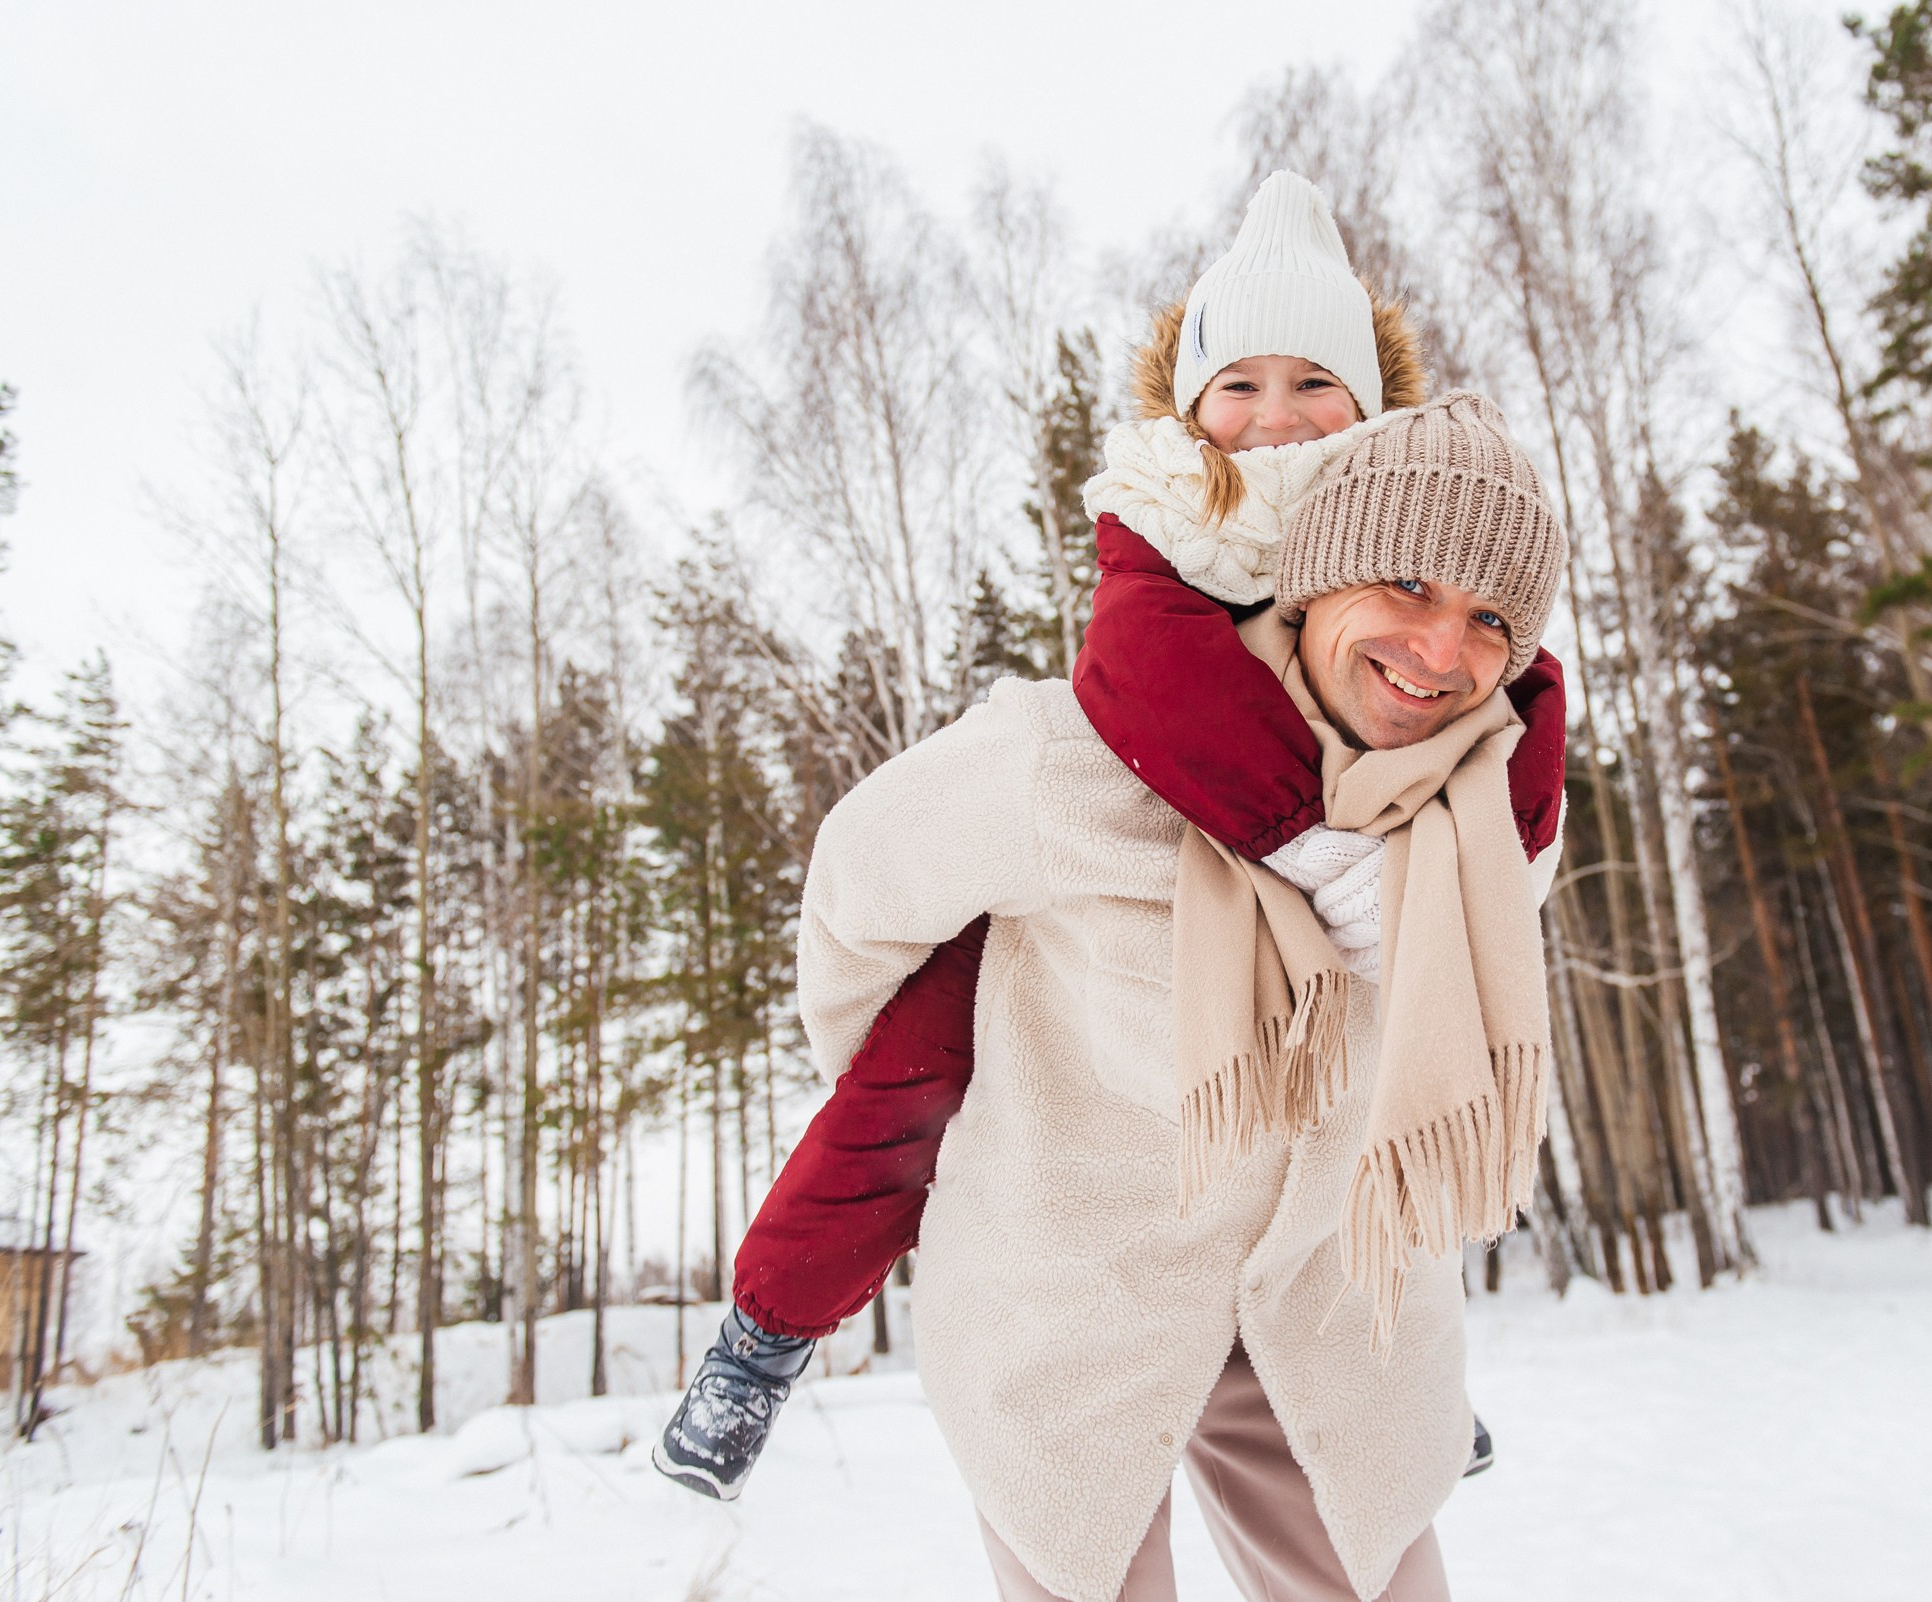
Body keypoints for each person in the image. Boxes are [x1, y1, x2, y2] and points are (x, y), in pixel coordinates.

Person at [654, 174, 1564, 1506]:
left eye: (1317, 383)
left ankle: (1396, 1370)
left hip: (1332, 887)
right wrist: (1311, 843)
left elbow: (1511, 690)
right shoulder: (1176, 519)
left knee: (1378, 1051)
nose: (1274, 416)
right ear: (1186, 405)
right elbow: (1151, 671)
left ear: (1374, 407)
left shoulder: (1408, 524)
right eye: (1237, 383)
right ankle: (767, 1329)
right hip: (1145, 800)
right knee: (918, 1070)